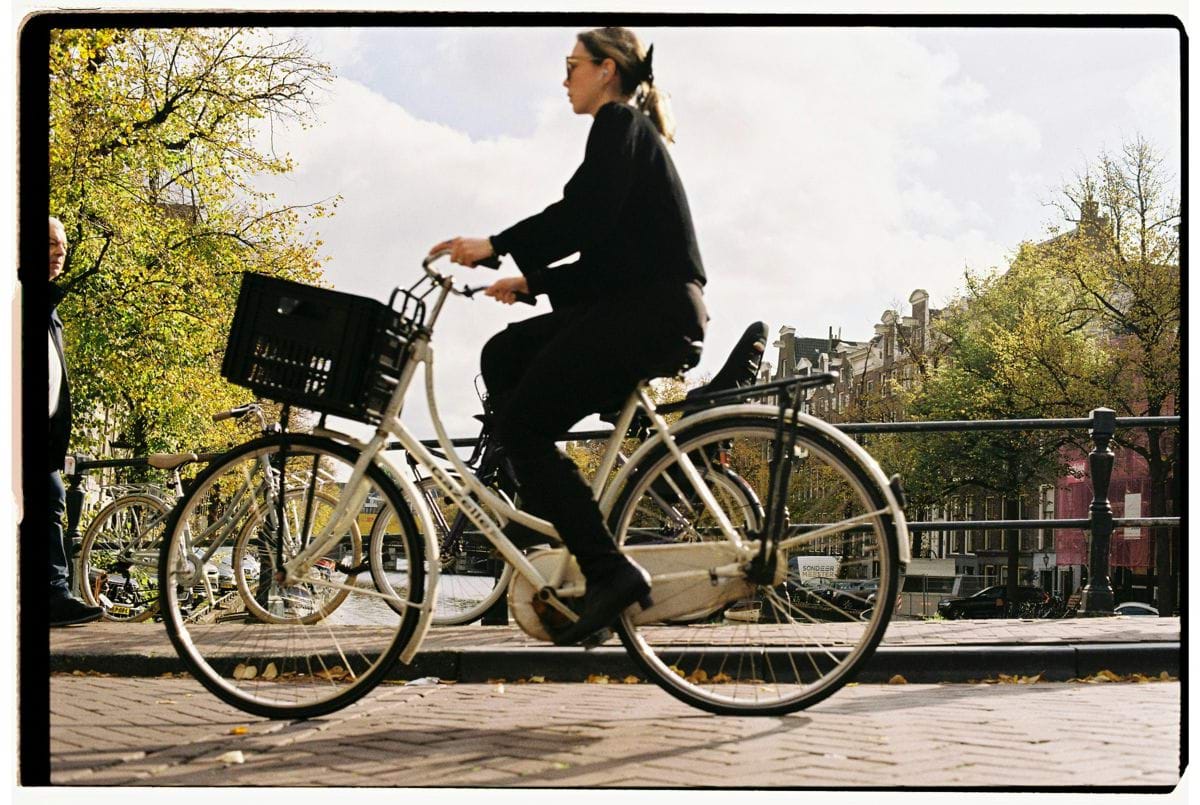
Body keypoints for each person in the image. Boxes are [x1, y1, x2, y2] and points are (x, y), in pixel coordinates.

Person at [431, 27, 707, 646]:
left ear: (607, 70)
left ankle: (608, 570)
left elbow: (581, 217)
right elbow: (610, 255)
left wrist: (494, 246)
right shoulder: (629, 132)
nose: (565, 80)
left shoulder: (620, 125)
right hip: (638, 304)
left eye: (572, 66)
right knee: (503, 355)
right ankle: (547, 517)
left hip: (650, 315)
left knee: (524, 427)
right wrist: (530, 284)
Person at [48, 216, 102, 626]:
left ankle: (52, 594)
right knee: (51, 502)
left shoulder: (51, 310)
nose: (58, 253)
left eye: (63, 248)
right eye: (50, 244)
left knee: (51, 502)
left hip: (40, 435)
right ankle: (53, 595)